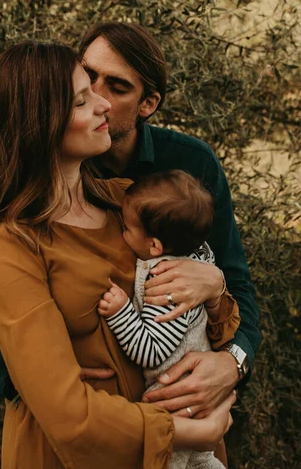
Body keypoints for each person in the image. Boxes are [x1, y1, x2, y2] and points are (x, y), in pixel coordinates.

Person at [0, 22, 260, 460]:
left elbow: (229, 285)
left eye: (115, 88)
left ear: (148, 104)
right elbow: (1, 323)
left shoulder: (128, 200)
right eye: (85, 93)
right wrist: (28, 380)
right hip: (90, 448)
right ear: (40, 122)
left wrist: (218, 301)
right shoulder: (8, 237)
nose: (102, 102)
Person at [98, 170, 241, 469]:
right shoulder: (198, 259)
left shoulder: (168, 284)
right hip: (197, 401)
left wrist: (121, 311)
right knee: (204, 461)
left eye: (126, 228)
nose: (122, 233)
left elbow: (151, 351)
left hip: (176, 402)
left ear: (154, 247)